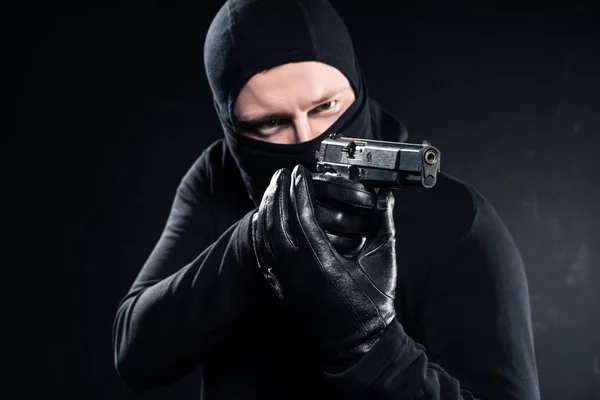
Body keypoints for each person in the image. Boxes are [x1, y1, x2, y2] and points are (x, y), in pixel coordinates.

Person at [112, 0, 541, 399]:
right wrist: (255, 246)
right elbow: (135, 353)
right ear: (233, 131)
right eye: (271, 123)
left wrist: (369, 347)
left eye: (325, 107)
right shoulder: (217, 180)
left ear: (355, 86)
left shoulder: (457, 222)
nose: (308, 139)